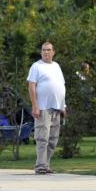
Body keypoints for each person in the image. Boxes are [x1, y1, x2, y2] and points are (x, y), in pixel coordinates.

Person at [27, 41, 66, 174]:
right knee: (42, 137)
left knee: (53, 139)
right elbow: (32, 87)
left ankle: (46, 164)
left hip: (57, 107)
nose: (46, 52)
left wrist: (63, 105)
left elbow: (61, 86)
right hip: (43, 108)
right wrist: (35, 105)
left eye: (49, 50)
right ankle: (40, 166)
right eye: (44, 50)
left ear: (53, 52)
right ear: (41, 52)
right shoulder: (36, 66)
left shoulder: (56, 66)